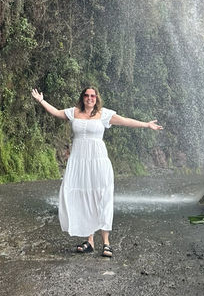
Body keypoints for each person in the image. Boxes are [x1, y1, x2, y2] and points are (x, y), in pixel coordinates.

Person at [31, 86, 163, 257]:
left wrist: (146, 124)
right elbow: (56, 112)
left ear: (96, 98)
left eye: (93, 96)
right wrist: (41, 101)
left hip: (99, 161)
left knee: (102, 197)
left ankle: (106, 243)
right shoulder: (74, 112)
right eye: (86, 95)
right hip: (79, 162)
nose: (90, 98)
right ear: (82, 98)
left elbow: (124, 121)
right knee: (84, 197)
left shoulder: (104, 114)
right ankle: (90, 241)